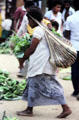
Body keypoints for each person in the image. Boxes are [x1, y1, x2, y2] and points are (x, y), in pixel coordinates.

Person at [16, 7, 72, 118]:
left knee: (50, 86)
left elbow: (32, 48)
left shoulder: (38, 30)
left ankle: (66, 108)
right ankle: (29, 108)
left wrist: (23, 57)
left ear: (32, 19)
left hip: (41, 65)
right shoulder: (45, 27)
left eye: (28, 20)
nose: (28, 23)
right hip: (43, 64)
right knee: (32, 85)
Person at [65, 0, 79, 97]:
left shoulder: (70, 18)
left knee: (75, 69)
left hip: (74, 47)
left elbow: (67, 34)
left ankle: (76, 91)